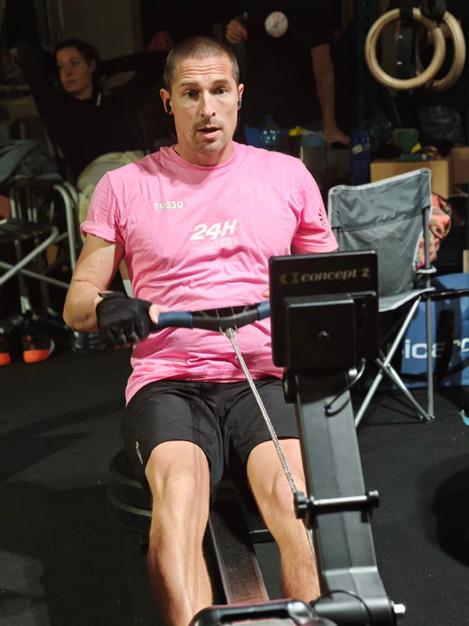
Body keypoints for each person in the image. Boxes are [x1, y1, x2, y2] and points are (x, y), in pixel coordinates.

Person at [63, 36, 338, 626]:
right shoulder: (126, 186)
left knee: (297, 509)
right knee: (180, 504)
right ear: (169, 102)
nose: (206, 108)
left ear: (240, 96)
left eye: (218, 91)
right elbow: (77, 303)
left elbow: (328, 284)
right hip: (171, 383)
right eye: (190, 94)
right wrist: (108, 305)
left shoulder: (287, 176)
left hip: (262, 377)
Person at [224, 2, 350, 147]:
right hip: (257, 118)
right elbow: (239, 21)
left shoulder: (314, 7)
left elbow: (323, 69)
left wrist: (330, 123)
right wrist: (234, 27)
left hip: (303, 119)